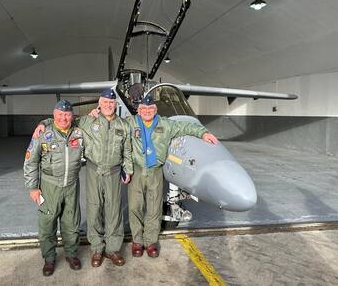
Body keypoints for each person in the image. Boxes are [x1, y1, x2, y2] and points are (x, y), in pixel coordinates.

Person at [89, 94, 218, 258]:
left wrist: (203, 133)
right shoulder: (131, 122)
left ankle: (150, 242)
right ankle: (137, 241)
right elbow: (111, 123)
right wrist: (95, 114)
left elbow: (186, 127)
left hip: (155, 171)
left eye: (150, 109)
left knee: (153, 208)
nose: (147, 111)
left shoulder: (166, 124)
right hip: (136, 170)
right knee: (135, 207)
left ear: (155, 110)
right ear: (139, 110)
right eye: (143, 109)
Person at [33, 89, 134, 267]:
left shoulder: (123, 125)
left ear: (115, 105)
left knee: (114, 211)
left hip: (114, 171)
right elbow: (64, 121)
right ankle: (96, 249)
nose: (108, 106)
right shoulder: (87, 121)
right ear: (99, 104)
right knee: (94, 209)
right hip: (94, 170)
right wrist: (44, 122)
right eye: (105, 103)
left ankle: (112, 249)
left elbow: (127, 149)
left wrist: (129, 169)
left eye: (111, 103)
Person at [23, 100, 84, 276]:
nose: (64, 118)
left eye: (67, 114)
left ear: (72, 115)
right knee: (47, 223)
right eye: (60, 114)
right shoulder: (43, 133)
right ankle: (49, 258)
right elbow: (30, 161)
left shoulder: (79, 132)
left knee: (71, 222)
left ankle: (71, 254)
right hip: (50, 185)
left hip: (72, 185)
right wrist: (33, 187)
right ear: (54, 114)